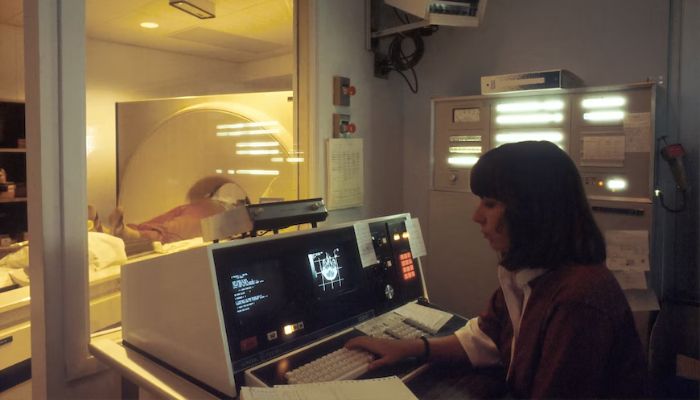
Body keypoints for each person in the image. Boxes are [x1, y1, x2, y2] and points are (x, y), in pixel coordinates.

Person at [346, 141, 649, 398]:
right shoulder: (528, 275)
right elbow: (487, 337)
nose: (477, 217)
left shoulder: (578, 299)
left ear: (533, 211)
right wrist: (411, 348)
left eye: (490, 204)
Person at [104, 181, 249, 243]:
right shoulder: (236, 207)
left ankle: (124, 232)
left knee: (170, 227)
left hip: (211, 208)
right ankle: (124, 231)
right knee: (170, 225)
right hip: (212, 208)